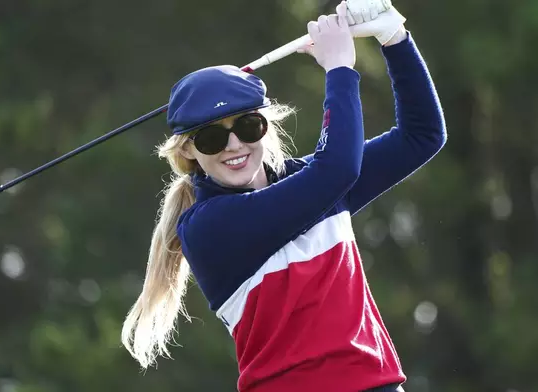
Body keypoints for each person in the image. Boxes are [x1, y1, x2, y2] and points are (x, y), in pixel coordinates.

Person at [121, 1, 447, 391]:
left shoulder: (313, 183)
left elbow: (422, 135)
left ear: (265, 125)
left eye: (247, 125)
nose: (233, 144)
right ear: (188, 151)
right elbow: (337, 170)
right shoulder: (208, 227)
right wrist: (340, 69)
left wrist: (394, 38)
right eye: (211, 136)